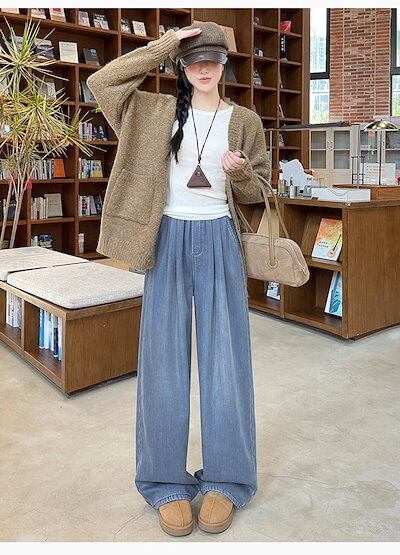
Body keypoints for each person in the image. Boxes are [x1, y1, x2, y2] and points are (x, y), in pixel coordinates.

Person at [87, 21, 271, 537]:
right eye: (193, 59)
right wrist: (167, 44)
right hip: (165, 238)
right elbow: (102, 82)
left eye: (212, 58)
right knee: (161, 362)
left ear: (225, 64)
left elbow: (259, 189)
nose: (203, 66)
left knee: (225, 363)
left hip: (220, 240)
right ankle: (164, 480)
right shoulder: (152, 111)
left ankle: (228, 480)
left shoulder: (245, 120)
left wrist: (239, 172)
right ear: (181, 67)